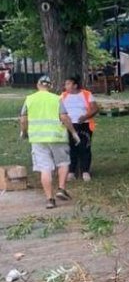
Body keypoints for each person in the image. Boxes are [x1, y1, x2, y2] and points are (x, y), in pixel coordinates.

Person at [19, 75, 81, 209]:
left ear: (37, 85)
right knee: (63, 162)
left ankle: (50, 199)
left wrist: (24, 132)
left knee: (45, 168)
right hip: (57, 137)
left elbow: (23, 119)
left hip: (38, 139)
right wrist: (73, 133)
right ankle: (61, 188)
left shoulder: (29, 99)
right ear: (50, 86)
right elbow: (64, 117)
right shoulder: (56, 98)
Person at [61, 76, 100, 181]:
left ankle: (85, 171)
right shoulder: (63, 96)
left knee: (84, 147)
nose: (66, 86)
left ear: (75, 85)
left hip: (84, 125)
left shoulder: (86, 94)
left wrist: (85, 117)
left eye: (68, 84)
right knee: (71, 147)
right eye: (65, 84)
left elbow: (95, 108)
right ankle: (71, 171)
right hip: (69, 125)